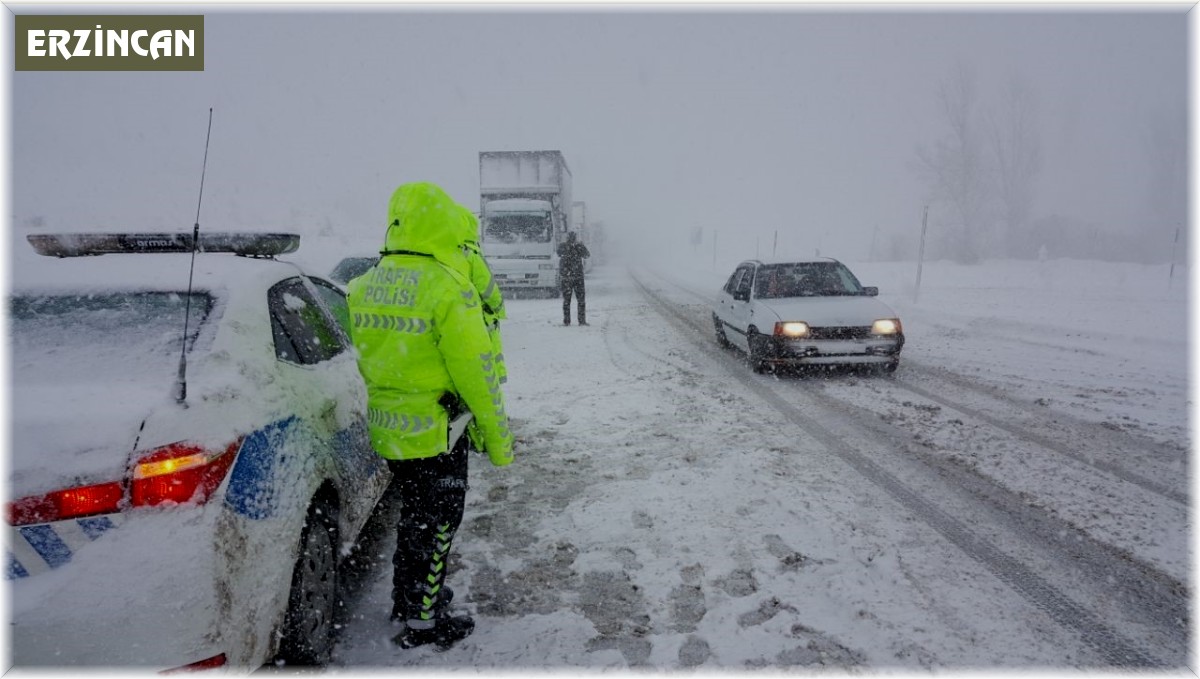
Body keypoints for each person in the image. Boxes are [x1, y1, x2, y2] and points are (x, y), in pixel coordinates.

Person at [346, 181, 515, 650]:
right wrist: (498, 442)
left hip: (390, 430)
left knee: (415, 517)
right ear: (442, 224)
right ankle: (424, 620)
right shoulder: (447, 288)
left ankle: (411, 596)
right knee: (440, 522)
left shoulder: (365, 283)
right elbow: (477, 374)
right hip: (436, 431)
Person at [556, 230, 590, 326]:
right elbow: (587, 255)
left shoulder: (562, 246)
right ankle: (582, 321)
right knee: (581, 300)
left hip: (566, 277)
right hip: (578, 277)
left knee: (566, 300)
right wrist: (581, 246)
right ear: (575, 238)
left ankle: (567, 321)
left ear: (567, 238)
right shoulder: (579, 246)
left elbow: (558, 253)